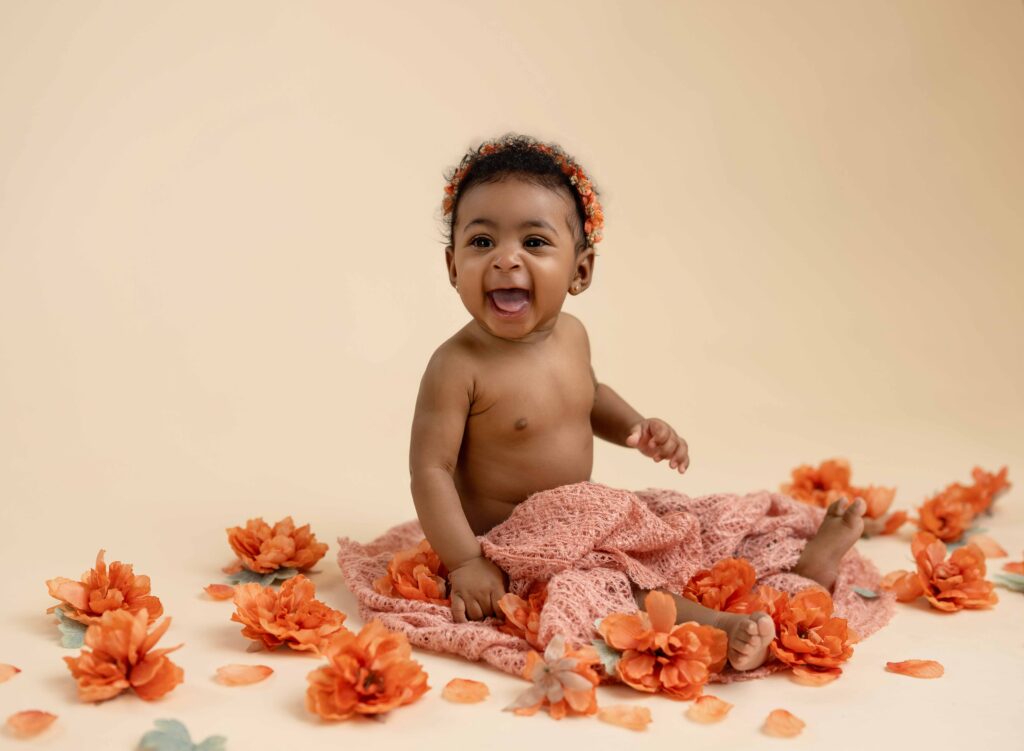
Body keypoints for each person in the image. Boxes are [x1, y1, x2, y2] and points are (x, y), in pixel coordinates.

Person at [407, 133, 867, 672]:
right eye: (482, 243)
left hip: (588, 515)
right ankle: (717, 628)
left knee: (684, 536)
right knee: (608, 584)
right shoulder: (456, 366)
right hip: (518, 541)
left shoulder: (572, 335)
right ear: (452, 266)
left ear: (581, 271)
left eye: (534, 243)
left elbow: (589, 395)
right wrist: (466, 561)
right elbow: (430, 470)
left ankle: (801, 573)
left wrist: (637, 426)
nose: (506, 260)